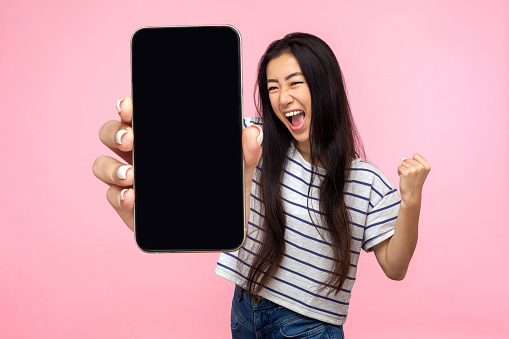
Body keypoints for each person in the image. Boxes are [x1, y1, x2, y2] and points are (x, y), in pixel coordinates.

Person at [93, 32, 430, 338]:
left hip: (308, 327)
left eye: (294, 83)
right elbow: (193, 149)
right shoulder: (255, 140)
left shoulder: (363, 180)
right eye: (272, 87)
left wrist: (411, 202)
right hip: (244, 311)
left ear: (324, 86)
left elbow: (395, 267)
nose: (282, 98)